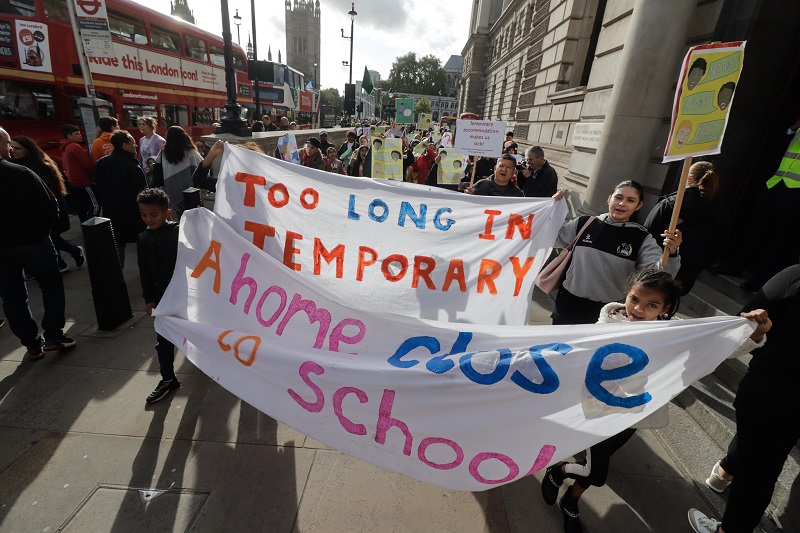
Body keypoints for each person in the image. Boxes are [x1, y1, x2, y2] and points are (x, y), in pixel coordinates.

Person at [540, 268, 770, 533]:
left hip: (634, 416)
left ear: (666, 307)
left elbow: (715, 347)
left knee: (594, 468)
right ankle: (559, 472)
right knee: (597, 472)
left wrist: (752, 334)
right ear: (626, 294)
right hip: (599, 412)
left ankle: (572, 498)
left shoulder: (672, 332)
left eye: (651, 305)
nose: (639, 308)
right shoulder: (606, 326)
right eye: (635, 299)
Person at [687, 265, 797, 533]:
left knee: (761, 470)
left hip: (772, 386)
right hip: (775, 392)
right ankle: (724, 472)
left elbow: (746, 319)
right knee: (759, 441)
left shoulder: (794, 278)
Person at [550, 180, 682, 324]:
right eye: (618, 197)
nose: (622, 203)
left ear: (638, 206)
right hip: (567, 305)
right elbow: (551, 238)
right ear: (609, 198)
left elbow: (659, 275)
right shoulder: (584, 223)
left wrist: (672, 253)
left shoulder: (642, 238)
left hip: (608, 313)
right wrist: (551, 209)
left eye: (630, 200)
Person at [0, 127, 73, 359]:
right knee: (51, 285)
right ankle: (53, 335)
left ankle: (31, 345)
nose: (10, 148)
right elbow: (51, 206)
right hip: (34, 242)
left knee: (12, 296)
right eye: (7, 142)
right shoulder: (19, 172)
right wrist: (42, 231)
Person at [708, 118, 800, 292]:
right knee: (755, 229)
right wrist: (792, 128)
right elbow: (776, 150)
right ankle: (735, 264)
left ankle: (762, 278)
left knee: (780, 238)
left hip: (796, 193)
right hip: (776, 184)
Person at [644, 161, 722, 294]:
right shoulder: (719, 211)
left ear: (689, 179)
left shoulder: (669, 204)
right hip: (688, 275)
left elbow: (647, 234)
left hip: (659, 269)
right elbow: (718, 248)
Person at [10, 136, 85, 272]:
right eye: (12, 147)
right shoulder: (15, 165)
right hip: (34, 211)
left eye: (17, 148)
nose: (13, 151)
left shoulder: (43, 166)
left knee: (51, 237)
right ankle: (69, 256)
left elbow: (49, 193)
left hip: (51, 208)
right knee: (51, 237)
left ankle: (65, 260)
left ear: (28, 149)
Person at [136, 188, 181, 403]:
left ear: (167, 212)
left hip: (183, 296)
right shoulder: (142, 238)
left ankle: (213, 369)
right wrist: (149, 299)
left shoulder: (179, 233)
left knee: (196, 338)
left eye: (153, 215)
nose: (148, 219)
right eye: (144, 215)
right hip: (162, 299)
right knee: (163, 341)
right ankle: (167, 378)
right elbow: (144, 272)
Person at [95, 131, 147, 268]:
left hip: (111, 212)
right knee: (143, 242)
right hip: (133, 213)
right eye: (133, 144)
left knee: (117, 244)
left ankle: (116, 274)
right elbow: (143, 193)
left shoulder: (101, 163)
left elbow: (98, 187)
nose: (135, 146)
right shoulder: (133, 166)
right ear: (124, 145)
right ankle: (146, 269)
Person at [152, 126, 203, 219]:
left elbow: (157, 171)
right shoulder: (190, 152)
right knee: (191, 219)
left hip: (171, 190)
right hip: (189, 191)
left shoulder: (163, 153)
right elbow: (202, 166)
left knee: (177, 218)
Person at [59, 124, 100, 223]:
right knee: (96, 205)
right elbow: (86, 164)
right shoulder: (75, 146)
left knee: (81, 207)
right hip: (84, 182)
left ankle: (84, 224)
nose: (80, 135)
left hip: (73, 183)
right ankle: (92, 225)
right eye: (76, 134)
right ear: (69, 136)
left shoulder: (65, 147)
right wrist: (94, 176)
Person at [137, 116, 165, 184]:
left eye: (144, 124)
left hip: (156, 172)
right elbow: (141, 157)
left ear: (151, 125)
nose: (141, 126)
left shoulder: (159, 141)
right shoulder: (141, 140)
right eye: (140, 124)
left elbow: (162, 158)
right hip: (144, 172)